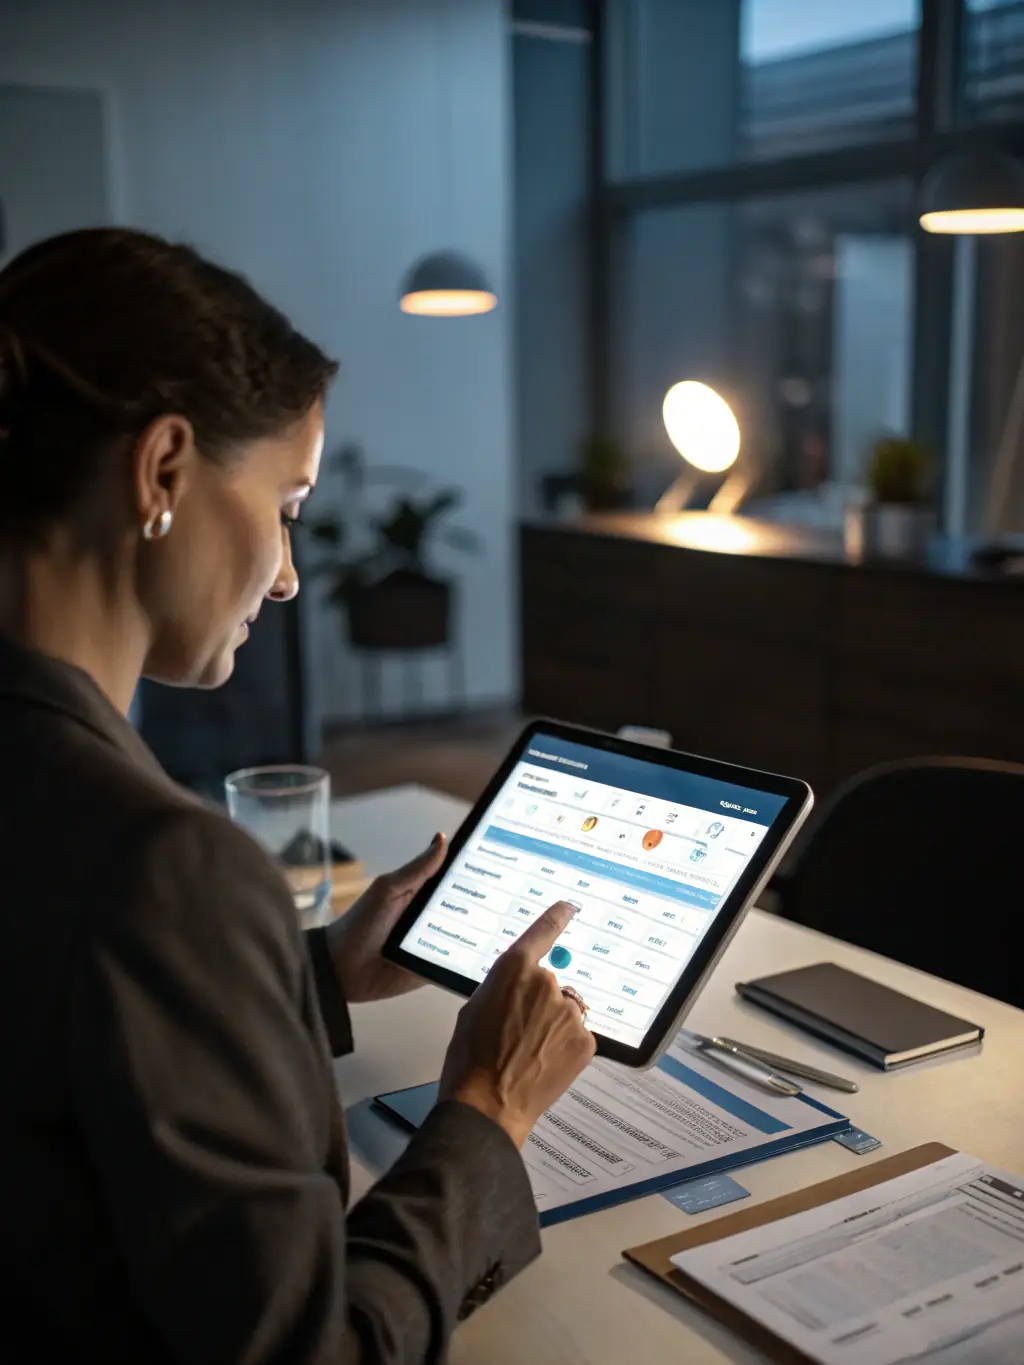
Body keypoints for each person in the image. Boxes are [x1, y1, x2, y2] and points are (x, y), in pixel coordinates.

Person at [0, 228, 596, 1365]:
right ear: (162, 470)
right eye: (286, 507)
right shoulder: (164, 863)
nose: (286, 574)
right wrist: (487, 1109)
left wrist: (302, 977)